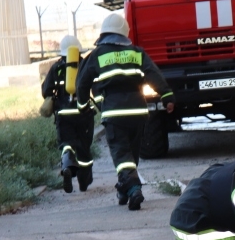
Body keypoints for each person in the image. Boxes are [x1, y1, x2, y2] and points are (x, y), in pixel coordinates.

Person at [75, 13, 175, 211]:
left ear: (104, 34)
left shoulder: (97, 55)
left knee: (121, 154)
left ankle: (134, 188)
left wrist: (82, 106)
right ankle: (124, 188)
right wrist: (167, 96)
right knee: (132, 153)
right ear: (124, 34)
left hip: (114, 113)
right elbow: (154, 74)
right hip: (138, 112)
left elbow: (82, 83)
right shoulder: (137, 53)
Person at [41, 35, 95, 193]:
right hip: (83, 112)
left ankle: (67, 167)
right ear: (78, 50)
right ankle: (84, 182)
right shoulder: (85, 64)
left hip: (63, 114)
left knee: (66, 144)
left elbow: (46, 91)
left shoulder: (56, 67)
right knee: (84, 147)